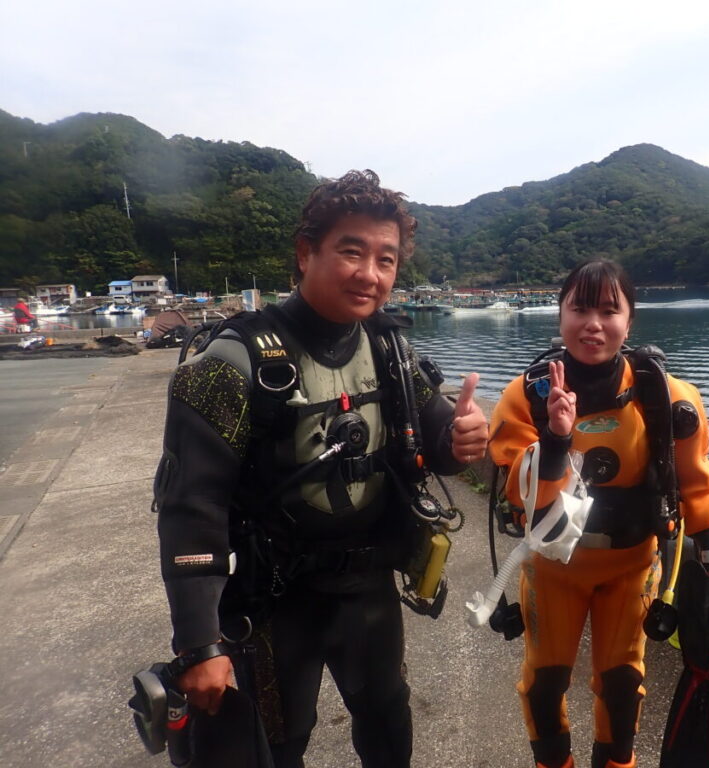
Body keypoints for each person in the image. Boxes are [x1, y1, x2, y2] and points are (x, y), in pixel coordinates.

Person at [154, 170, 489, 768]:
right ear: (306, 253)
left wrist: (460, 438)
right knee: (278, 746)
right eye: (352, 252)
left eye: (386, 259)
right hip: (273, 599)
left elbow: (433, 433)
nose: (370, 274)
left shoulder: (389, 348)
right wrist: (199, 644)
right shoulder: (230, 363)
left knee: (388, 724)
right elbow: (190, 507)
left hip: (367, 586)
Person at [487, 259, 709, 768]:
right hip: (553, 570)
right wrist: (555, 441)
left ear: (630, 320)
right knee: (543, 683)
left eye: (608, 310)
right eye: (579, 309)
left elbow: (696, 485)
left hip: (631, 566)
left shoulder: (666, 398)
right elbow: (522, 497)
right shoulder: (525, 398)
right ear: (559, 316)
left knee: (622, 683)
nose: (593, 324)